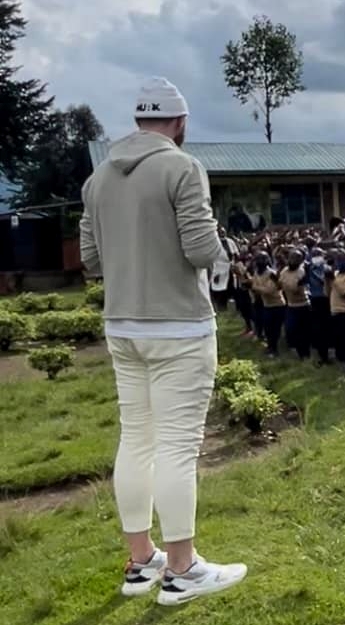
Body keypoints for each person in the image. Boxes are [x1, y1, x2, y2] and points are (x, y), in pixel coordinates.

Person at [78, 77, 246, 605]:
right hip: (179, 327)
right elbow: (199, 250)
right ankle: (182, 569)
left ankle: (141, 560)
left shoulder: (98, 178)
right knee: (177, 445)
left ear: (138, 121)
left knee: (137, 439)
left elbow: (90, 260)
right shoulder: (182, 167)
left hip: (122, 325)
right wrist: (223, 248)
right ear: (180, 123)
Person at [279, 248, 311, 361]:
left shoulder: (302, 272)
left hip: (303, 305)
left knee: (304, 331)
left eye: (296, 259)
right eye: (291, 258)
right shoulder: (284, 271)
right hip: (291, 305)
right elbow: (281, 283)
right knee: (290, 329)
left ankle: (305, 354)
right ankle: (298, 351)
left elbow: (294, 288)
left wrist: (291, 285)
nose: (292, 261)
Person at [250, 253, 285, 357]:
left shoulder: (272, 274)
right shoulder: (256, 273)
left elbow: (268, 290)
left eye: (261, 260)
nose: (259, 262)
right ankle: (270, 347)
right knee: (268, 328)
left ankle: (274, 349)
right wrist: (257, 288)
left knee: (275, 329)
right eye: (257, 260)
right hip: (266, 305)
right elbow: (254, 286)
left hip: (277, 305)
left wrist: (256, 288)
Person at [307, 247, 331, 364]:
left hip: (326, 300)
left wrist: (314, 272)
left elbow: (323, 280)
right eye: (314, 254)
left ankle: (329, 354)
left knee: (326, 328)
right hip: (314, 300)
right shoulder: (309, 268)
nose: (316, 257)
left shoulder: (327, 268)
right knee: (317, 328)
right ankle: (322, 355)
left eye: (318, 254)